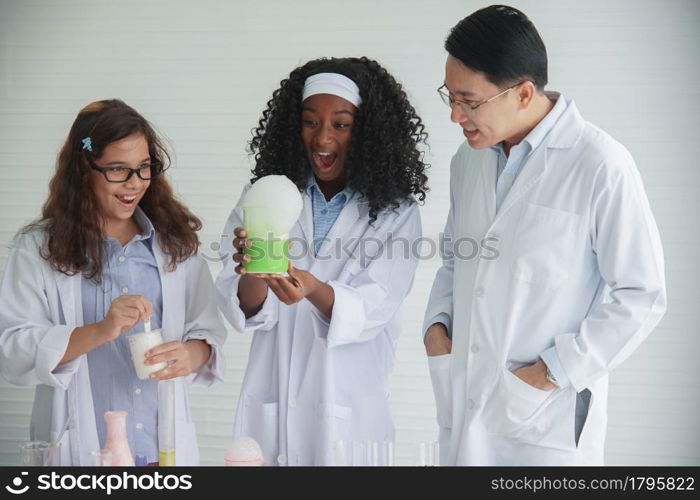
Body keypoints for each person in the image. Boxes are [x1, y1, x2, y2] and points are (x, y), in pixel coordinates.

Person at [423, 5, 666, 466]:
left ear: (523, 93)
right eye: (449, 97)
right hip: (465, 405)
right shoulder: (467, 161)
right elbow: (455, 259)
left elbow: (641, 294)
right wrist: (437, 329)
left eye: (469, 101)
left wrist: (551, 373)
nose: (456, 116)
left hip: (543, 424)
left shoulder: (600, 164)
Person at [216, 57, 428, 466]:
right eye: (310, 121)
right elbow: (241, 305)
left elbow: (375, 306)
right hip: (272, 395)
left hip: (351, 404)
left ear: (366, 130)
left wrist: (313, 289)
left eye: (341, 124)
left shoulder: (395, 212)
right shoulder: (265, 196)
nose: (322, 138)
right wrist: (251, 271)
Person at [0, 100, 226, 465]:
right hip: (82, 453)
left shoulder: (174, 243)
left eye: (144, 167)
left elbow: (208, 332)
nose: (134, 184)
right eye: (118, 170)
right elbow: (11, 347)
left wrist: (190, 354)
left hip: (161, 453)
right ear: (83, 169)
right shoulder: (38, 249)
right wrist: (100, 330)